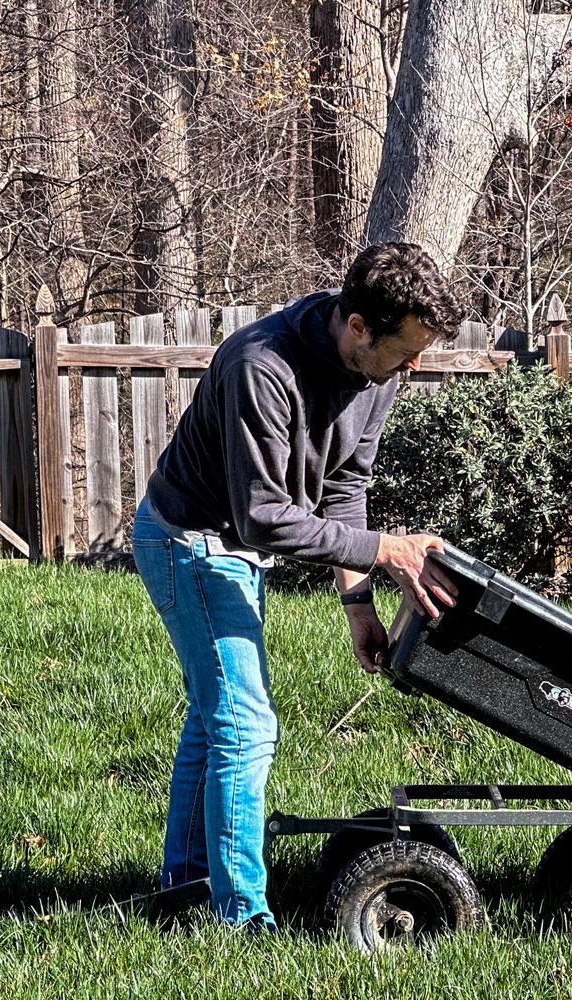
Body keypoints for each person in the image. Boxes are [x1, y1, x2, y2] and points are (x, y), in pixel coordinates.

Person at [131, 242, 464, 933]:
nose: (415, 367)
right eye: (407, 351)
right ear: (359, 327)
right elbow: (263, 518)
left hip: (237, 549)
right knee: (244, 725)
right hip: (191, 543)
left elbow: (344, 486)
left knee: (215, 717)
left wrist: (357, 603)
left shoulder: (379, 375)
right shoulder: (262, 365)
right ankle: (241, 918)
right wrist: (386, 551)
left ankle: (188, 885)